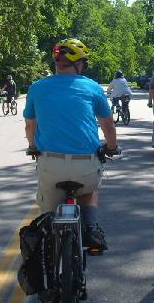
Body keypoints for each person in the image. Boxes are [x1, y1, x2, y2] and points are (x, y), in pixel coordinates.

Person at [24, 38, 118, 254]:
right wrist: (111, 148)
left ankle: (48, 250)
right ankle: (91, 228)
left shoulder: (37, 88)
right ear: (79, 64)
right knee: (88, 192)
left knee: (47, 214)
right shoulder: (92, 87)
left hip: (51, 164)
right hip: (85, 165)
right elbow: (108, 126)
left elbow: (30, 125)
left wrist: (32, 146)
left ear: (57, 63)